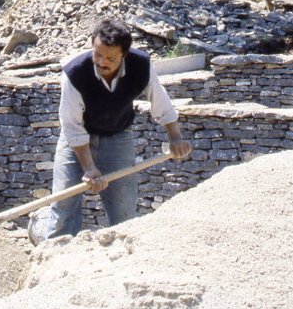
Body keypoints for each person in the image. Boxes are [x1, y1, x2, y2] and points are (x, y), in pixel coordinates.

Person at [40, 17, 192, 240]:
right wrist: (89, 168)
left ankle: (123, 263)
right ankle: (55, 260)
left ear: (124, 55)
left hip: (118, 137)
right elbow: (72, 127)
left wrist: (175, 137)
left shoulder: (141, 65)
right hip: (77, 141)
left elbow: (161, 103)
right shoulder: (75, 73)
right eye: (98, 54)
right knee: (63, 205)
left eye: (111, 58)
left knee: (124, 212)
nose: (102, 62)